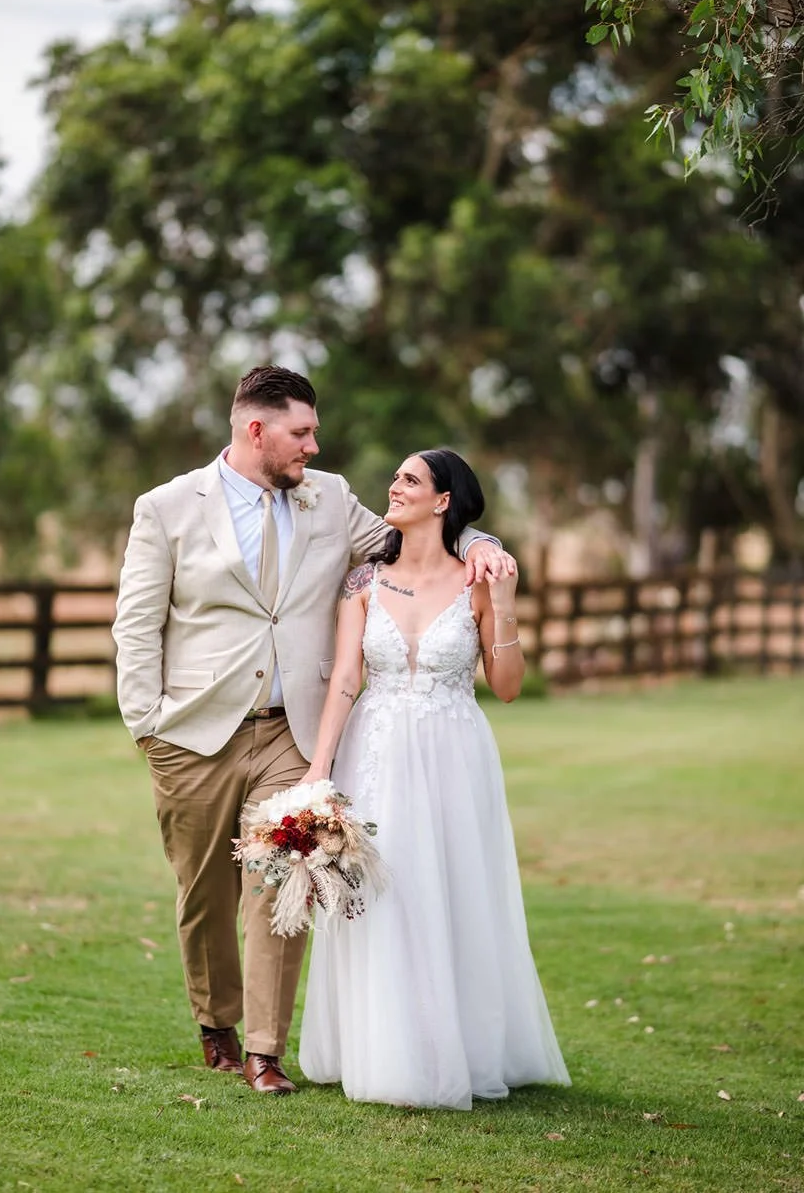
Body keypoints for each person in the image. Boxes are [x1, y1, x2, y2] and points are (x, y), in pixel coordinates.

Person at [112, 368, 510, 1094]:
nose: (314, 444)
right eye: (301, 431)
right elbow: (136, 624)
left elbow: (414, 537)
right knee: (205, 894)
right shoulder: (166, 507)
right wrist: (148, 726)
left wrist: (480, 536)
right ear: (254, 429)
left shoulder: (329, 498)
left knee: (283, 883)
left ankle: (265, 1050)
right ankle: (218, 1024)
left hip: (291, 729)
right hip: (192, 736)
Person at [298, 448, 571, 1109]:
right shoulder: (364, 580)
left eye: (410, 479)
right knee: (386, 892)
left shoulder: (478, 579)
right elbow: (343, 679)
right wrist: (318, 769)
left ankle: (464, 1046)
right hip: (376, 749)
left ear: (443, 500)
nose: (394, 485)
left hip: (456, 751)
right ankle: (384, 1046)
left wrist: (503, 604)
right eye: (394, 477)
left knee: (452, 888)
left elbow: (506, 687)